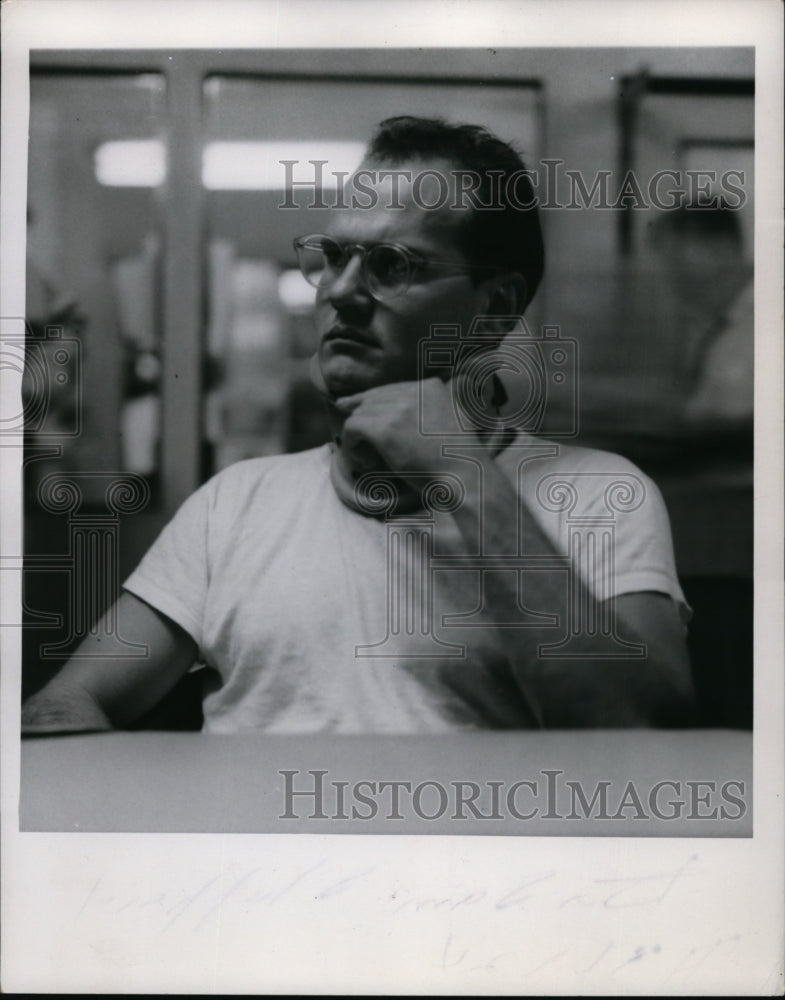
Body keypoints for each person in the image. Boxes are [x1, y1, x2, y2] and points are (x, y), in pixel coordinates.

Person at [22, 116, 693, 734]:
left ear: (493, 307)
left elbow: (642, 730)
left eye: (390, 265)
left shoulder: (600, 494)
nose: (339, 291)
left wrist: (462, 473)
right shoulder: (237, 502)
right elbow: (71, 699)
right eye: (332, 256)